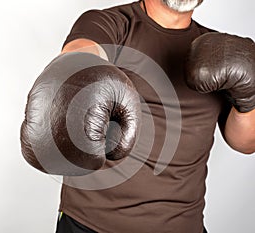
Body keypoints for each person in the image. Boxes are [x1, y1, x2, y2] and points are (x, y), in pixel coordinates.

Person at [20, 0, 255, 232]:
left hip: (183, 225)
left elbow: (245, 143)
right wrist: (78, 67)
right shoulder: (112, 24)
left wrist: (249, 97)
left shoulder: (217, 50)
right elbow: (82, 51)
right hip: (90, 225)